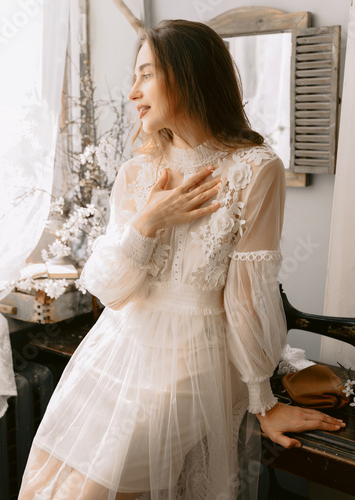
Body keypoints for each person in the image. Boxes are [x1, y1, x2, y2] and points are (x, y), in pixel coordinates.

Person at [18, 19, 345, 500]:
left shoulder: (255, 169)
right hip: (115, 349)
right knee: (50, 483)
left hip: (192, 360)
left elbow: (248, 295)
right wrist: (149, 222)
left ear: (188, 75)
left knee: (92, 492)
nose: (133, 92)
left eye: (146, 74)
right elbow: (110, 288)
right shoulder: (137, 171)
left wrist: (262, 400)